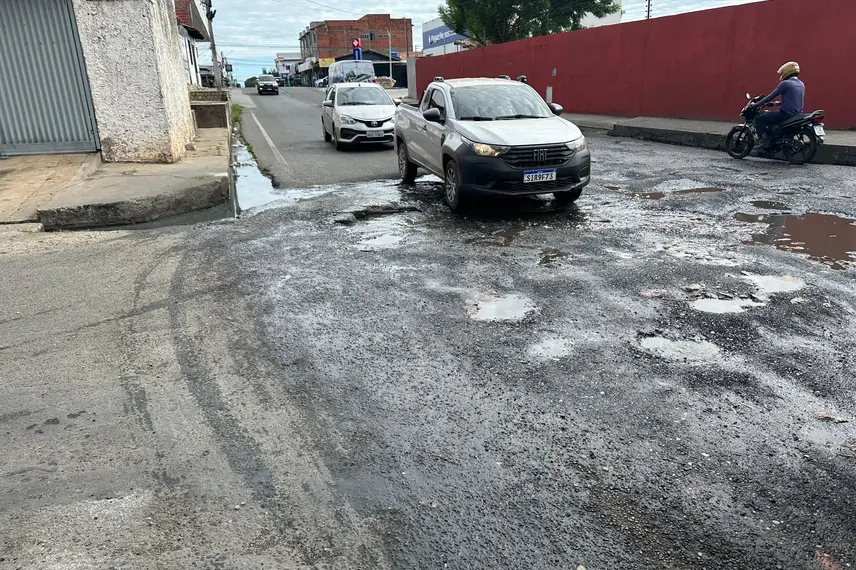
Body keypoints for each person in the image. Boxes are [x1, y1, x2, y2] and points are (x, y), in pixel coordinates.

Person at [753, 61, 805, 149]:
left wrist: (756, 104)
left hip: (786, 114)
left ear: (787, 71)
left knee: (759, 118)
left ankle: (764, 142)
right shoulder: (801, 84)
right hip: (797, 114)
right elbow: (794, 99)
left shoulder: (785, 84)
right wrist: (778, 103)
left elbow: (771, 96)